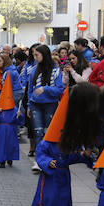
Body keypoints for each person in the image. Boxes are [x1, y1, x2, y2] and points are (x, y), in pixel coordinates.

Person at [30, 91, 93, 206]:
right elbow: (40, 155)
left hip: (63, 174)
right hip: (51, 175)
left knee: (61, 195)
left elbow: (72, 157)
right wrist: (47, 162)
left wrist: (84, 155)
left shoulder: (67, 144)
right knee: (48, 195)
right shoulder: (45, 143)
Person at [26, 44, 64, 172]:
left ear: (44, 55)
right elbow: (29, 90)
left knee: (48, 133)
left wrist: (45, 89)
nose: (35, 57)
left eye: (37, 55)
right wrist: (29, 106)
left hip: (50, 105)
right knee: (37, 132)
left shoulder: (56, 70)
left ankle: (48, 159)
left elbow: (60, 89)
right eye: (34, 55)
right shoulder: (33, 70)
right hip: (35, 104)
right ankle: (39, 160)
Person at [0, 78, 21, 168]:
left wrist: (19, 115)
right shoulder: (0, 108)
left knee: (10, 144)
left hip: (11, 129)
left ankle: (9, 158)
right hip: (1, 129)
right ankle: (1, 160)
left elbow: (19, 122)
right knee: (1, 145)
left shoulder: (14, 109)